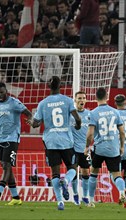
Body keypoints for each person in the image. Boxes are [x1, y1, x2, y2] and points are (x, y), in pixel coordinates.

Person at [29, 76, 81, 210]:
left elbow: (36, 123)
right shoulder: (68, 100)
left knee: (55, 174)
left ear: (48, 86)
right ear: (61, 86)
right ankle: (67, 181)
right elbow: (77, 118)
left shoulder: (43, 103)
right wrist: (78, 126)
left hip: (50, 141)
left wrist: (32, 123)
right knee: (73, 168)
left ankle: (60, 202)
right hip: (66, 141)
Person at [84, 87, 126, 208]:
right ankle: (121, 192)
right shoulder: (115, 112)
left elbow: (90, 134)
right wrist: (121, 147)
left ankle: (91, 201)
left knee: (93, 172)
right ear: (107, 97)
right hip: (113, 148)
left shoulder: (93, 113)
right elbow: (122, 132)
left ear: (95, 98)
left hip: (99, 148)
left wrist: (87, 146)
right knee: (116, 174)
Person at [71, 91, 90, 205]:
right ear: (75, 100)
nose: (81, 100)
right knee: (73, 172)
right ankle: (75, 195)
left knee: (86, 172)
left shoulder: (89, 114)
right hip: (72, 148)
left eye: (83, 98)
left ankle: (85, 196)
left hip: (85, 149)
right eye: (79, 98)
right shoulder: (71, 115)